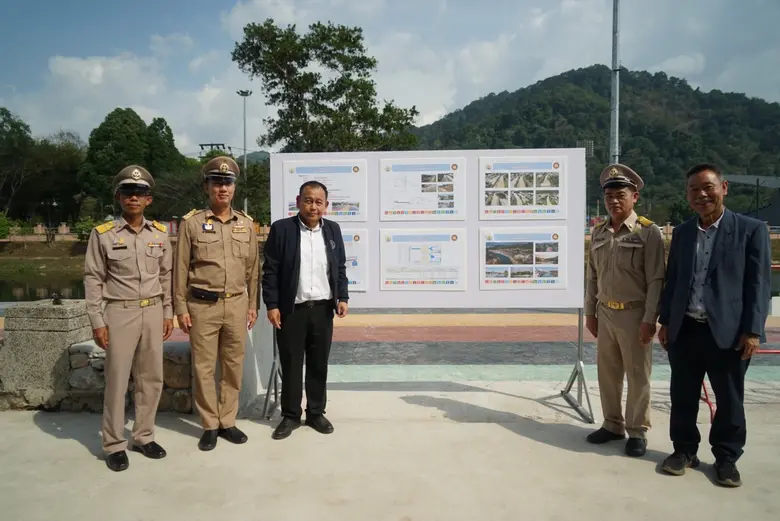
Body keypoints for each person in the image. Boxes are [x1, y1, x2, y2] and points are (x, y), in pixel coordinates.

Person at [658, 163, 771, 487]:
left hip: (729, 333)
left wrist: (752, 330)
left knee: (729, 399)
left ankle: (726, 458)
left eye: (707, 187)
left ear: (724, 188)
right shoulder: (682, 233)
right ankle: (684, 451)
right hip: (686, 329)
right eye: (694, 189)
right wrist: (666, 321)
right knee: (683, 394)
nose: (701, 195)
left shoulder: (751, 230)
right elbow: (675, 280)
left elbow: (758, 285)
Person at [83, 165, 174, 472]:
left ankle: (143, 436)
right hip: (119, 311)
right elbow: (93, 278)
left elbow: (166, 276)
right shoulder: (103, 235)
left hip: (152, 310)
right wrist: (97, 321)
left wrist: (167, 313)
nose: (134, 198)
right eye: (129, 192)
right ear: (118, 197)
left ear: (149, 200)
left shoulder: (160, 234)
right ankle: (113, 444)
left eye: (141, 193)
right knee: (117, 380)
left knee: (151, 379)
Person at [173, 156, 260, 451]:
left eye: (228, 183)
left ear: (234, 188)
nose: (222, 188)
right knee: (204, 368)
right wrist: (181, 309)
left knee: (234, 365)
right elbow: (180, 269)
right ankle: (209, 424)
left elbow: (253, 270)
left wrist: (253, 305)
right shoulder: (191, 224)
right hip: (202, 307)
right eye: (217, 182)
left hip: (236, 305)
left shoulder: (246, 225)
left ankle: (228, 420)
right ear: (206, 186)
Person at [583, 163, 666, 457]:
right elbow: (593, 275)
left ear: (635, 197)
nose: (614, 201)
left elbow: (656, 279)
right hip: (605, 313)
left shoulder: (648, 232)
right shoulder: (599, 232)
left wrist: (649, 319)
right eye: (609, 196)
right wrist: (590, 313)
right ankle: (612, 424)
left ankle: (637, 430)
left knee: (637, 375)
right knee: (608, 373)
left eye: (621, 194)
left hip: (635, 314)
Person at [262, 180, 349, 440]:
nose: (313, 206)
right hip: (292, 309)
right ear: (299, 201)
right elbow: (271, 270)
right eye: (308, 200)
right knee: (291, 364)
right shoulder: (282, 230)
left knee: (318, 363)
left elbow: (340, 267)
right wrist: (272, 305)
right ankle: (290, 416)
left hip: (322, 309)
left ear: (326, 205)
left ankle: (315, 413)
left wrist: (342, 296)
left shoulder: (332, 230)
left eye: (318, 202)